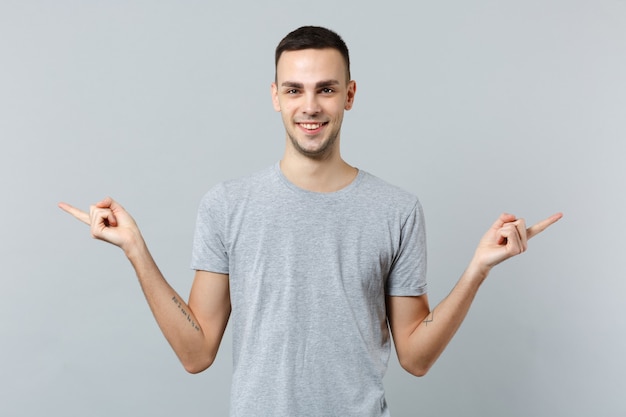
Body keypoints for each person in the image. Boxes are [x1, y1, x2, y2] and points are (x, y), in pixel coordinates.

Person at [59, 26, 562, 417]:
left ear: (350, 94)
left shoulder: (397, 210)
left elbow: (416, 357)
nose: (310, 106)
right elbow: (196, 353)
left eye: (325, 88)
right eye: (295, 89)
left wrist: (478, 268)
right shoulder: (226, 205)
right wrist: (136, 252)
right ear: (275, 95)